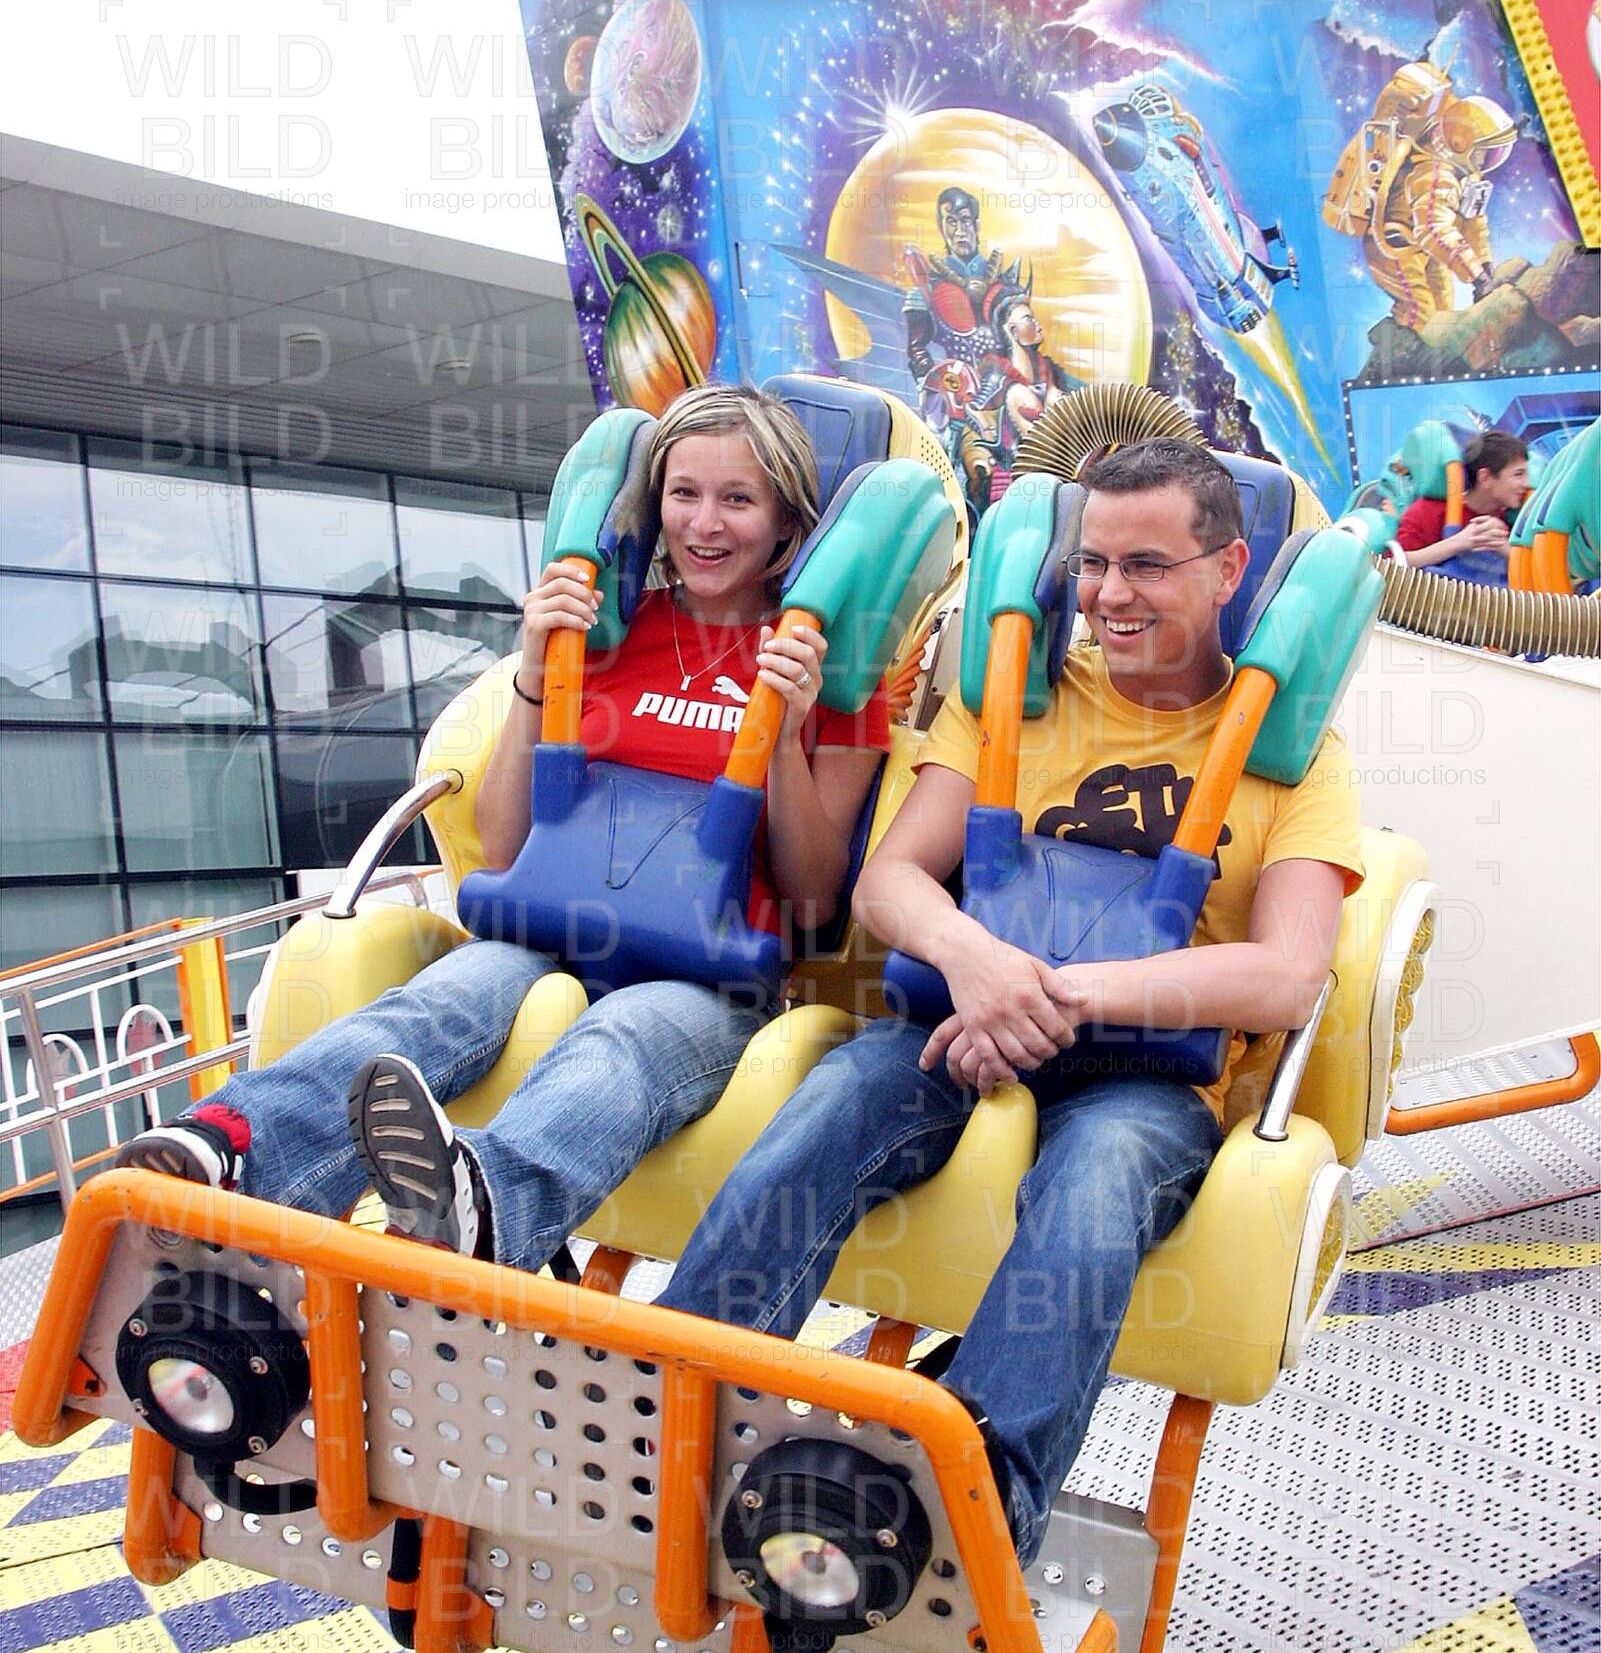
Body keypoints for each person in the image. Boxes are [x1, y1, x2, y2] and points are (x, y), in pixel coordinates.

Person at [660, 434, 1363, 1567]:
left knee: (1095, 1184)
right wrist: (974, 961)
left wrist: (1057, 996)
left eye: (1146, 565)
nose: (1109, 595)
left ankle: (964, 1519)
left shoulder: (1301, 760)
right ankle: (675, 1415)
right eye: (1094, 564)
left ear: (1228, 571)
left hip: (1140, 1081)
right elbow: (889, 879)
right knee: (828, 1108)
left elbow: (1287, 973)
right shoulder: (1007, 702)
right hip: (952, 1023)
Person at [117, 384, 890, 1265]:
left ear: (787, 520)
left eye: (737, 499)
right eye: (684, 493)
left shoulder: (836, 682)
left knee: (620, 1042)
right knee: (440, 1000)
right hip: (549, 931)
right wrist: (534, 671)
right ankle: (232, 1151)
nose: (703, 524)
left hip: (707, 978)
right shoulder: (602, 634)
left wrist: (783, 736)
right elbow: (507, 841)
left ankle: (484, 1215)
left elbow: (813, 897)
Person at [1394, 430, 1528, 573]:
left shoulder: (1516, 523)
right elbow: (1393, 564)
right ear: (1485, 478)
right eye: (1518, 474)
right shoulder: (1427, 511)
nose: (1526, 483)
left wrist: (1507, 550)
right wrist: (1459, 542)